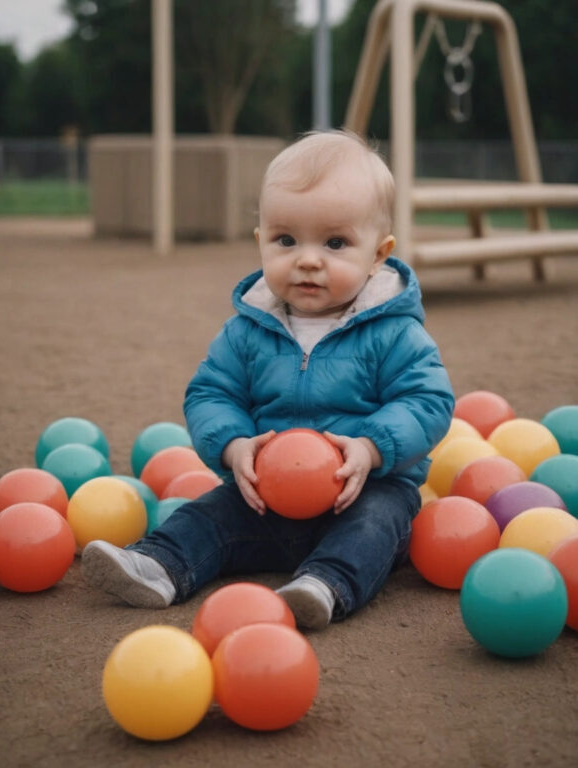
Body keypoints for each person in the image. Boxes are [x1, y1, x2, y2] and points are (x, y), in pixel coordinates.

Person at [82, 130, 454, 630]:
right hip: (266, 493)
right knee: (210, 513)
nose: (307, 259)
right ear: (261, 243)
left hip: (364, 488)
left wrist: (370, 448)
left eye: (335, 243)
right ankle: (159, 563)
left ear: (378, 255)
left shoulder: (394, 333)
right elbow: (212, 392)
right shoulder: (247, 331)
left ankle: (323, 584)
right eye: (286, 240)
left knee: (375, 526)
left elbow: (427, 400)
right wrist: (234, 446)